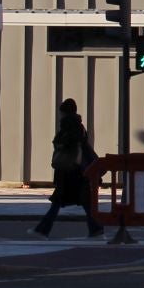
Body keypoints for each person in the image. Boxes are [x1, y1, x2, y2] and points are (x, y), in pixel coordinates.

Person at [35, 98, 103, 238]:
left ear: (64, 112)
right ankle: (95, 229)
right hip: (78, 171)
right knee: (84, 202)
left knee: (59, 201)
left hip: (69, 171)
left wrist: (60, 144)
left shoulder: (68, 126)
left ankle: (42, 230)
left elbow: (62, 143)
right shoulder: (80, 127)